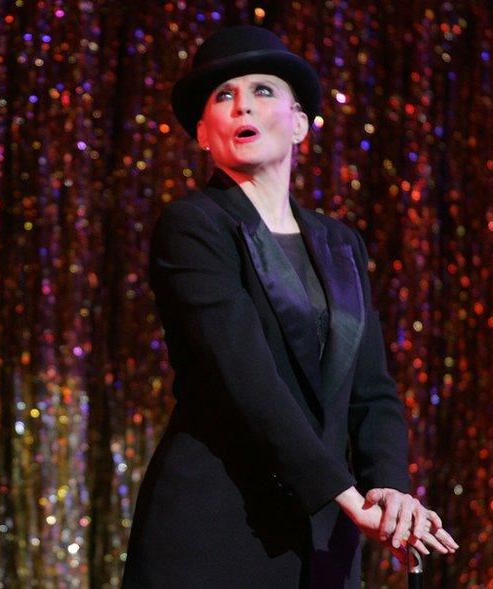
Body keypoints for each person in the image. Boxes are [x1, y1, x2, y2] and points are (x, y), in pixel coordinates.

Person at [123, 26, 458, 587]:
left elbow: (371, 390)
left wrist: (390, 488)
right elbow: (244, 375)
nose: (242, 105)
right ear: (204, 134)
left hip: (326, 534)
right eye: (223, 97)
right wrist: (346, 494)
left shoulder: (340, 242)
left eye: (262, 90)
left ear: (300, 123)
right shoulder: (195, 226)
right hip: (217, 524)